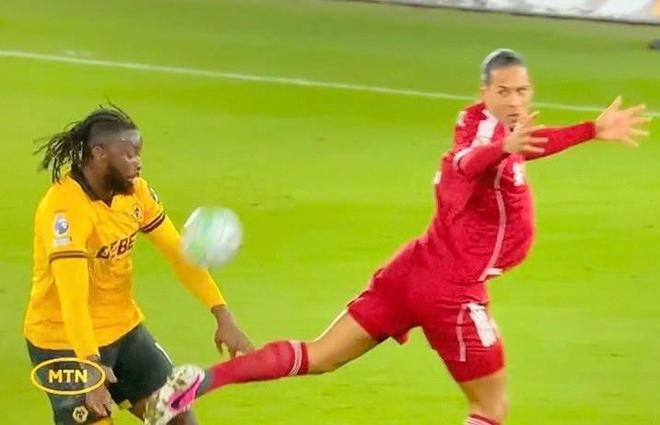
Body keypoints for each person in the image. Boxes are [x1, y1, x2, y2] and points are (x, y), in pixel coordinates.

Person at [144, 49, 650, 425]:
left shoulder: (480, 123)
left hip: (411, 270)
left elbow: (521, 144)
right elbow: (468, 163)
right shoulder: (487, 140)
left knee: (321, 355)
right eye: (504, 92)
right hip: (453, 292)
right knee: (491, 406)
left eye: (523, 90)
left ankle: (205, 380)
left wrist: (589, 130)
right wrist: (506, 148)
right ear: (485, 92)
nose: (515, 100)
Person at [25, 106, 254, 425]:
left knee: (178, 418)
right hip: (64, 343)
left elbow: (179, 254)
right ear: (99, 153)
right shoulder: (64, 209)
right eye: (129, 154)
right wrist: (90, 364)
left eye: (138, 154)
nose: (138, 162)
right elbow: (72, 298)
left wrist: (222, 315)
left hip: (124, 331)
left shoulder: (136, 193)